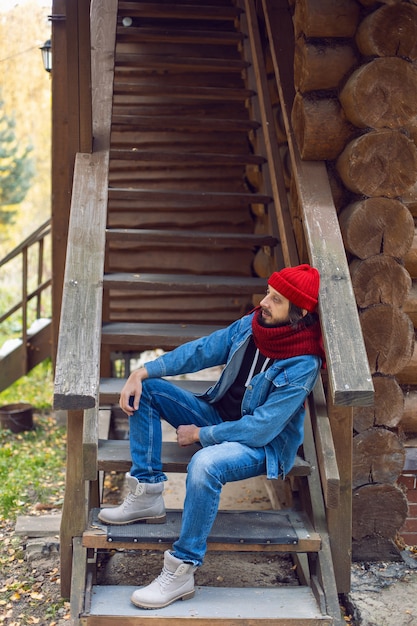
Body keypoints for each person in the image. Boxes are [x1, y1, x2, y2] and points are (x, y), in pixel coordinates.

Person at [98, 263, 325, 610]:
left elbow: (262, 428)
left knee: (205, 464)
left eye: (276, 300)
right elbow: (201, 350)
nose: (264, 302)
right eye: (268, 292)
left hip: (262, 446)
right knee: (151, 389)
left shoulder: (303, 364)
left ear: (299, 312)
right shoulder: (252, 327)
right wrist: (142, 371)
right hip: (220, 417)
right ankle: (147, 491)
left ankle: (181, 569)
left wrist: (203, 434)